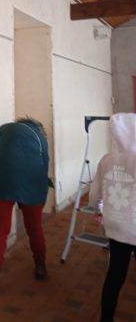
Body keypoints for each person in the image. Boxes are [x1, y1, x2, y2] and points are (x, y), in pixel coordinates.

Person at [0, 117, 49, 294]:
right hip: (33, 182)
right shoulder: (40, 137)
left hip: (3, 180)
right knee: (34, 227)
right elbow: (45, 164)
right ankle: (40, 267)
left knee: (1, 229)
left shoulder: (5, 128)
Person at [89, 113, 136, 322]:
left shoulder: (106, 160)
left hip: (116, 225)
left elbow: (95, 195)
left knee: (115, 274)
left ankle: (105, 319)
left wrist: (100, 209)